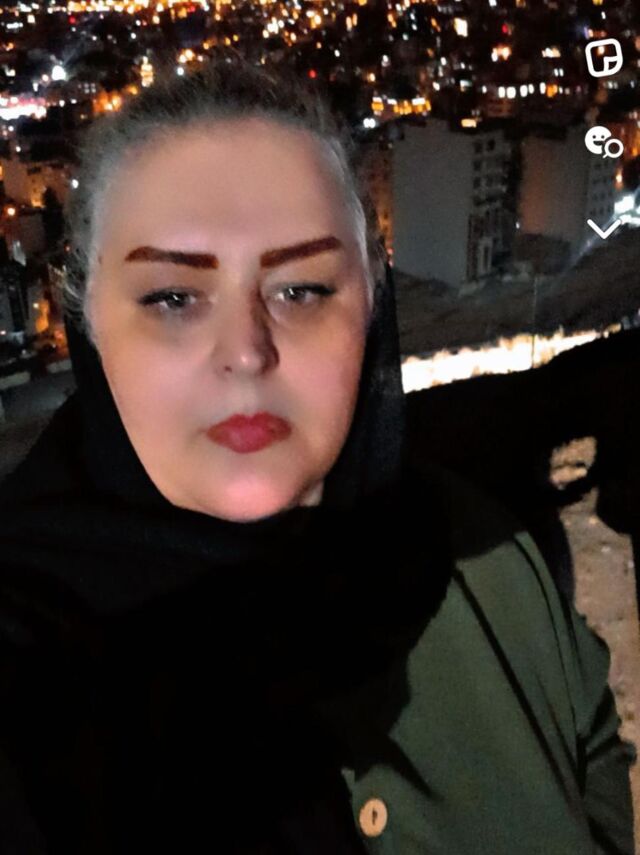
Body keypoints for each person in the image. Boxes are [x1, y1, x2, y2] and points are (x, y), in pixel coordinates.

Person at [0, 53, 635, 854]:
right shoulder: (37, 663)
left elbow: (591, 749)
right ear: (87, 325)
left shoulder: (482, 560)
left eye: (301, 289)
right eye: (173, 297)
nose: (246, 350)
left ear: (372, 302)